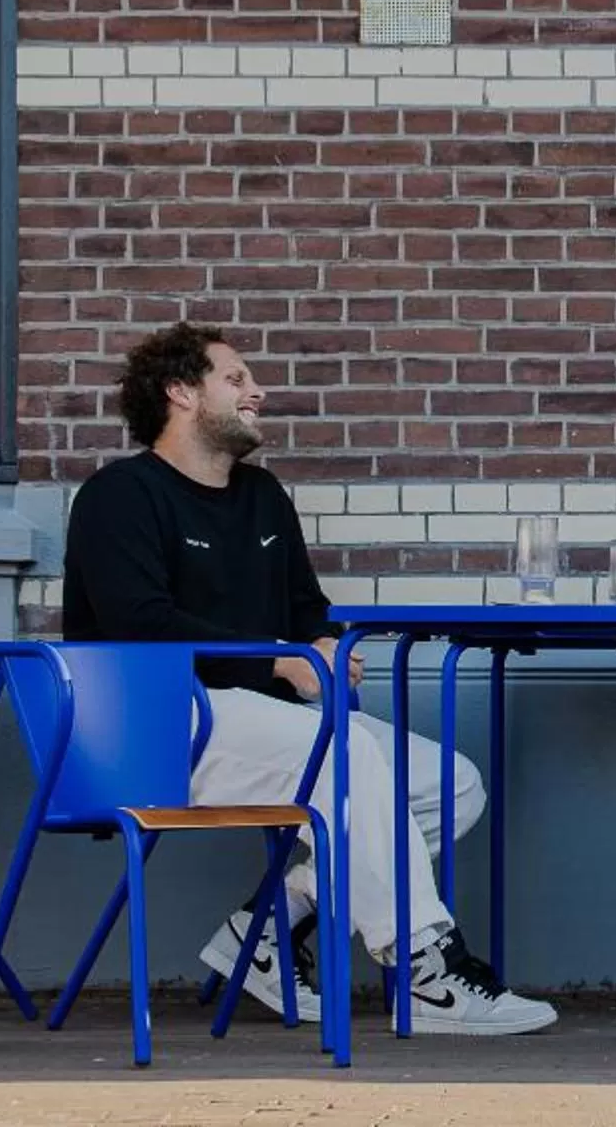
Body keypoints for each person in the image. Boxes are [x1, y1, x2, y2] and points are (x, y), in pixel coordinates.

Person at [60, 323, 556, 1035]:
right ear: (180, 393)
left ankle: (267, 928)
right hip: (158, 726)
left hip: (262, 720)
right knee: (348, 758)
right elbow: (141, 625)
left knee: (449, 783)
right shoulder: (120, 496)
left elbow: (303, 606)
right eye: (234, 378)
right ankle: (424, 970)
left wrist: (322, 641)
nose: (256, 390)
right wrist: (278, 661)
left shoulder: (261, 496)